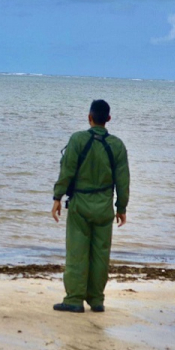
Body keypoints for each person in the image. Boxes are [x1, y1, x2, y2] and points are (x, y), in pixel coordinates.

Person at [51, 99, 130, 313]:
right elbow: (123, 181)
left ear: (89, 117)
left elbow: (66, 171)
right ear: (109, 119)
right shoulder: (117, 145)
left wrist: (57, 197)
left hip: (80, 205)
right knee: (100, 255)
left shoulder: (77, 140)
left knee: (77, 253)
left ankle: (74, 299)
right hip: (105, 207)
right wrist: (121, 208)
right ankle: (97, 300)